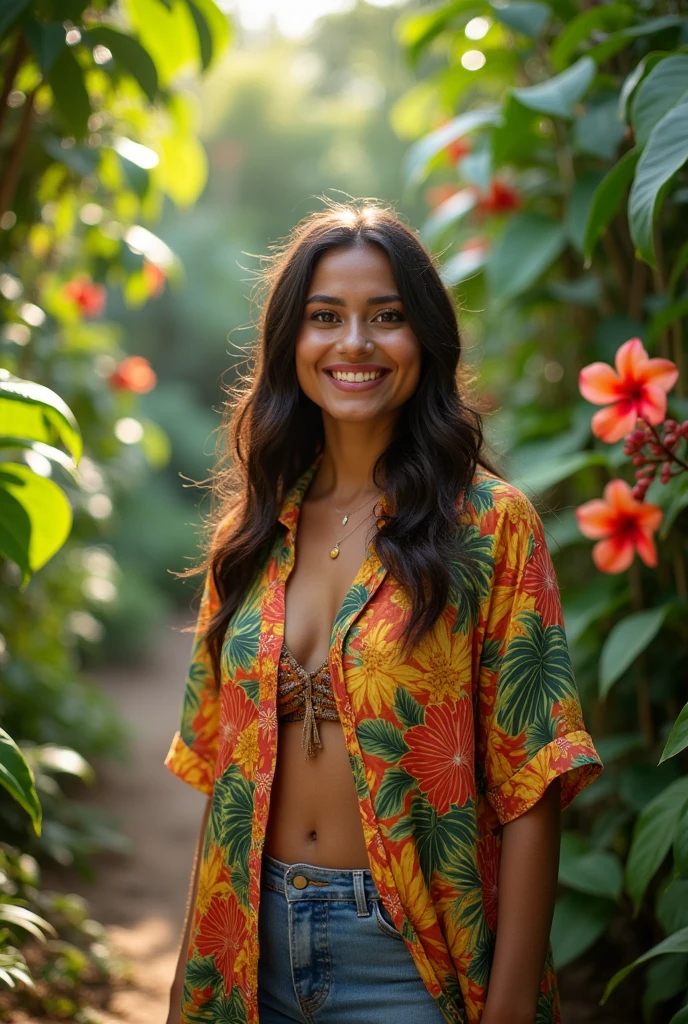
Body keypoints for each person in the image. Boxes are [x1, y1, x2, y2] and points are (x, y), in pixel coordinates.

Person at [164, 200, 603, 1024]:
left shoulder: (490, 526)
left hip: (410, 962)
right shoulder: (251, 534)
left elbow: (531, 785)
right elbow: (226, 782)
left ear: (425, 340)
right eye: (325, 317)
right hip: (249, 949)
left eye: (387, 317)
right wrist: (195, 975)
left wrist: (507, 1010)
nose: (354, 344)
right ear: (291, 341)